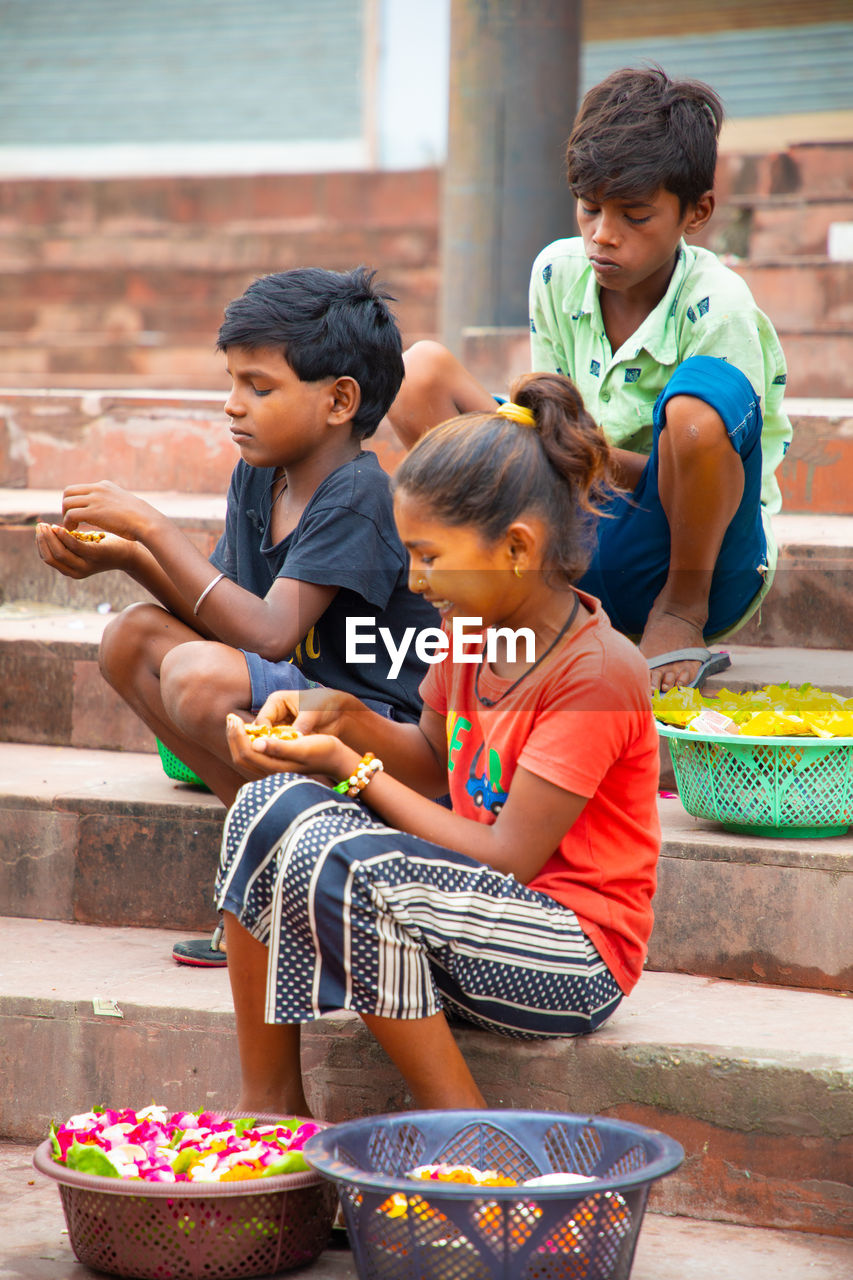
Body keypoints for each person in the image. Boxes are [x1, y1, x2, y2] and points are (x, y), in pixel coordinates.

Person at [215, 372, 661, 1114]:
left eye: (429, 556)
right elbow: (429, 758)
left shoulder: (601, 675)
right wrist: (342, 717)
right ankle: (272, 1115)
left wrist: (350, 769)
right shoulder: (469, 628)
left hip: (569, 956)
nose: (415, 580)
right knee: (265, 806)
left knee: (346, 862)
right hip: (455, 913)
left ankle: (465, 1134)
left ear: (516, 548)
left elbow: (508, 858)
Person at [35, 265, 439, 965]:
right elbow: (220, 606)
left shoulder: (358, 495)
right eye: (230, 381)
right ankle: (272, 858)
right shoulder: (260, 473)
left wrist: (155, 529)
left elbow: (270, 633)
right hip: (287, 712)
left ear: (340, 400)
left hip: (369, 734)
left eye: (259, 386)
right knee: (127, 638)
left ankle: (285, 881)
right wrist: (126, 558)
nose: (233, 405)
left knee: (200, 680)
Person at [386, 66, 792, 696]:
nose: (603, 235)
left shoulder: (720, 305)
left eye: (634, 216)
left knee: (693, 409)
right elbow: (555, 418)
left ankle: (678, 616)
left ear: (697, 213)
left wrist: (583, 452)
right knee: (420, 374)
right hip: (578, 522)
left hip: (694, 557)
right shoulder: (557, 271)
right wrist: (552, 442)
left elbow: (702, 459)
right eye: (589, 209)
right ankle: (514, 592)